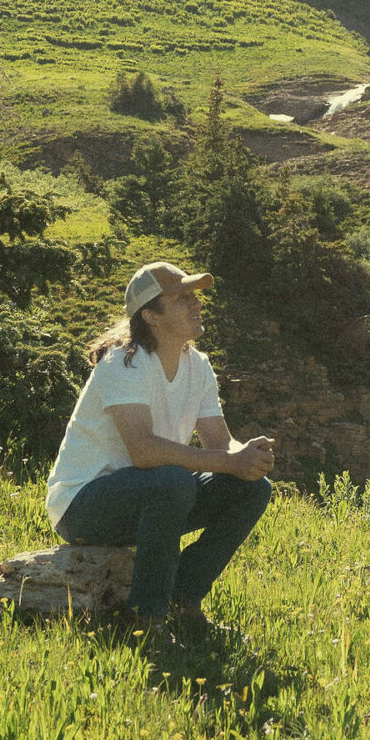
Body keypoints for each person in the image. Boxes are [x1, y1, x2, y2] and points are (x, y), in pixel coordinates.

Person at [45, 260, 276, 625]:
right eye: (183, 297)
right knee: (173, 479)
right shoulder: (123, 362)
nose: (196, 304)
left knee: (253, 489)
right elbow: (144, 450)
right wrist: (230, 462)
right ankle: (147, 617)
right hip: (83, 505)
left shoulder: (197, 366)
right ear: (151, 315)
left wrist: (247, 456)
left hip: (153, 493)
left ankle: (183, 598)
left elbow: (220, 443)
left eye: (194, 296)